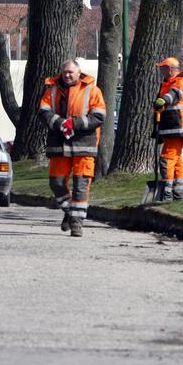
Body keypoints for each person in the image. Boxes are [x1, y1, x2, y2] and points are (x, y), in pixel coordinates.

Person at [38, 60, 106, 237]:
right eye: (65, 72)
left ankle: (77, 223)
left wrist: (73, 124)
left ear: (79, 73)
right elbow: (43, 112)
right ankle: (69, 212)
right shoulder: (51, 89)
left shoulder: (92, 90)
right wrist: (60, 123)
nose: (67, 75)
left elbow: (99, 116)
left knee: (80, 186)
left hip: (84, 145)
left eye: (71, 72)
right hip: (59, 145)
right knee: (56, 183)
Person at [153, 56, 183, 201]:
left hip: (177, 127)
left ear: (170, 69)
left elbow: (173, 95)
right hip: (174, 128)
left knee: (166, 159)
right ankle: (178, 193)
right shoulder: (170, 82)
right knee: (176, 161)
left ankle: (167, 193)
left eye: (162, 68)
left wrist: (162, 100)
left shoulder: (180, 83)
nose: (161, 71)